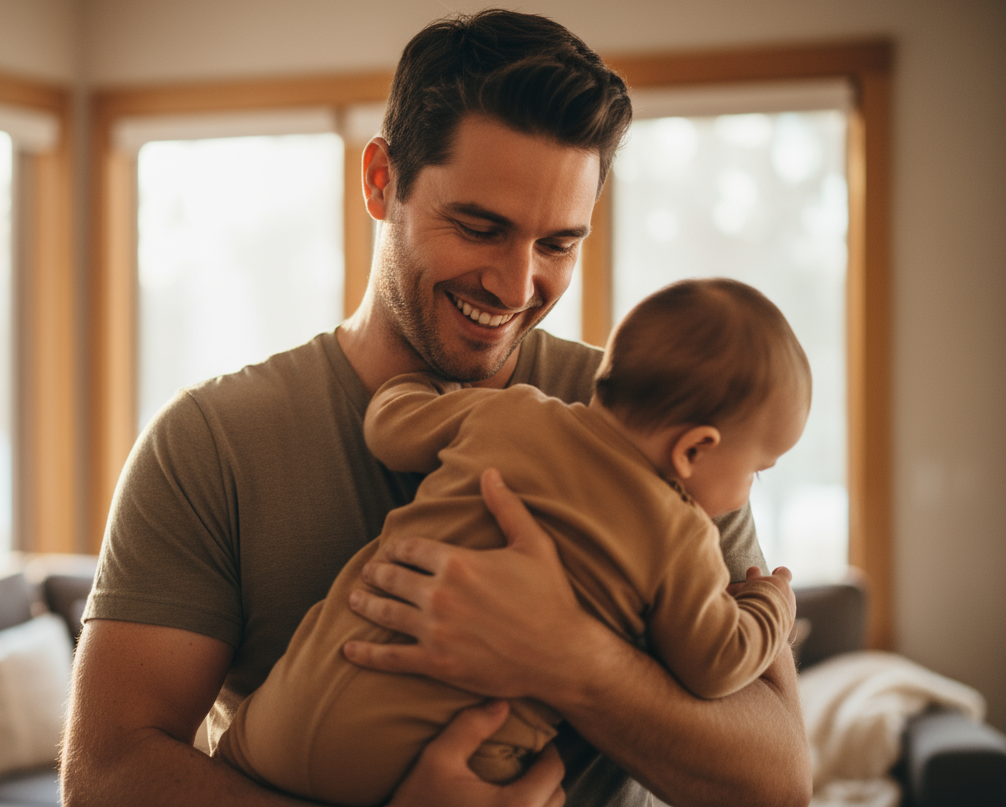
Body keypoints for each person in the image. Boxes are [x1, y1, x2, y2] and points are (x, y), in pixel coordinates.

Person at [61, 8, 812, 807]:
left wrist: (568, 656)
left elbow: (776, 781)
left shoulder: (658, 425)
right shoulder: (211, 446)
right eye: (481, 227)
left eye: (558, 244)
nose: (517, 285)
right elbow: (108, 774)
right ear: (382, 181)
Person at [215, 278, 809, 806]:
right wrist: (772, 605)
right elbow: (715, 661)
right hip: (455, 764)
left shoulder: (513, 413)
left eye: (556, 244)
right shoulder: (684, 536)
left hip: (285, 725)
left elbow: (389, 428)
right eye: (757, 469)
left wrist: (415, 387)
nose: (746, 490)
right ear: (694, 449)